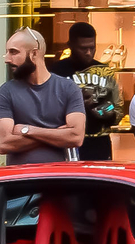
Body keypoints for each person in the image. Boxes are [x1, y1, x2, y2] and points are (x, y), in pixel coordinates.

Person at [0, 27, 86, 165]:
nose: (7, 59)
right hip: (20, 181)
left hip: (60, 179)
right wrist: (56, 134)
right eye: (7, 52)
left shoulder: (68, 88)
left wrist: (27, 130)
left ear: (34, 54)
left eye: (13, 52)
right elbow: (4, 144)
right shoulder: (6, 91)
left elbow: (76, 137)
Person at [50, 23, 121, 161]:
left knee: (100, 181)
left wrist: (98, 108)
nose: (88, 52)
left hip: (99, 141)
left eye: (92, 47)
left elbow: (116, 108)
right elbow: (47, 108)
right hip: (65, 141)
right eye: (83, 48)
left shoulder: (105, 72)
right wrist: (74, 101)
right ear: (70, 45)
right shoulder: (56, 72)